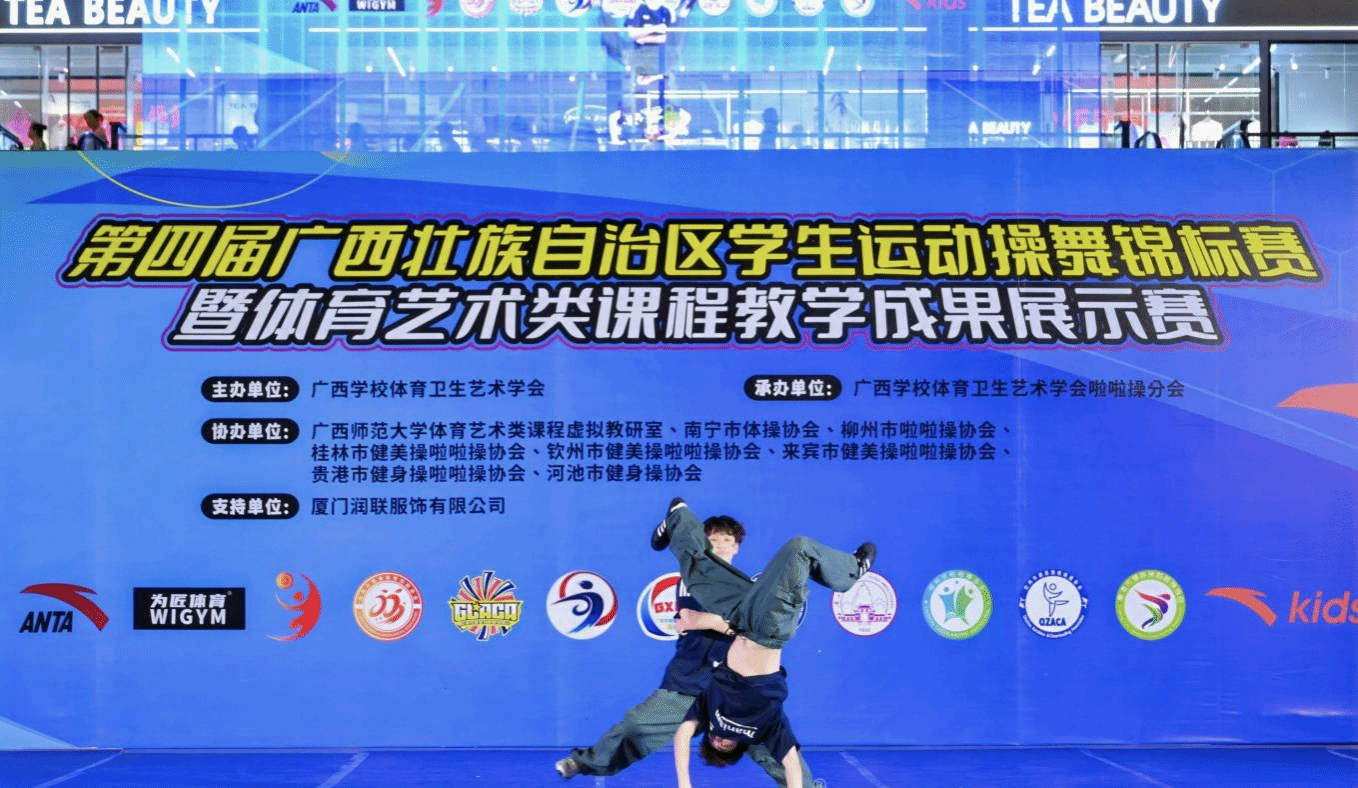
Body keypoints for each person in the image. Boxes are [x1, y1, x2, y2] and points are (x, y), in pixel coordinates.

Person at [554, 516, 815, 786]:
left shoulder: (749, 591)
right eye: (714, 539)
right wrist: (732, 624)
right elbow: (693, 618)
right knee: (636, 726)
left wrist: (717, 622)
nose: (721, 544)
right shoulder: (693, 580)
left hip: (738, 688)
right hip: (689, 683)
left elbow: (748, 628)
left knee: (779, 755)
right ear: (704, 545)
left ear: (737, 547)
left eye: (727, 539)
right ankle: (584, 762)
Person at [654, 497, 874, 788]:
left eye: (714, 741)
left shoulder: (709, 711)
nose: (721, 738)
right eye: (726, 745)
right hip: (768, 629)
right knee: (798, 548)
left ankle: (678, 516)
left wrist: (684, 783)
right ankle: (849, 571)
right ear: (740, 745)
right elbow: (791, 763)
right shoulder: (765, 728)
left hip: (740, 618)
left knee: (697, 574)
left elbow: (683, 734)